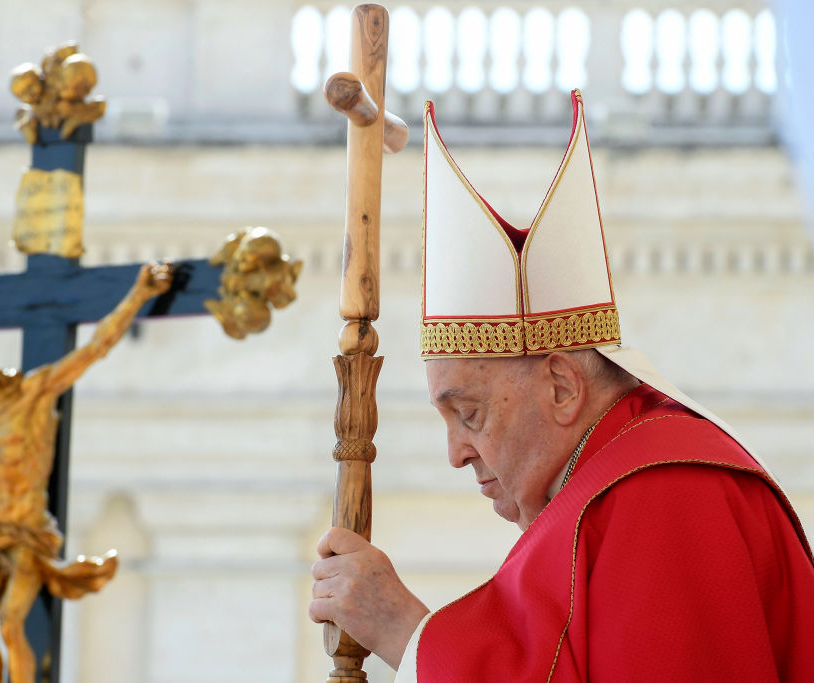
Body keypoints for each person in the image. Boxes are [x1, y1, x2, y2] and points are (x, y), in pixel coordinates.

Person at [309, 91, 814, 681]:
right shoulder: (609, 492)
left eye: (469, 414)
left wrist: (405, 632)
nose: (455, 454)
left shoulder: (664, 493)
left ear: (562, 386)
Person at [0, 262, 173, 683]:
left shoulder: (33, 395)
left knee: (11, 624)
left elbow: (95, 347)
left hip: (28, 534)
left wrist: (139, 294)